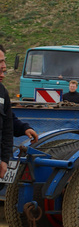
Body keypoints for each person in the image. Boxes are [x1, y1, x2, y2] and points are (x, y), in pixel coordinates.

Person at [1, 45, 40, 181]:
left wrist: (24, 128)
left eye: (4, 61)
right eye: (0, 62)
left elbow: (7, 121)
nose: (4, 67)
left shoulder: (2, 92)